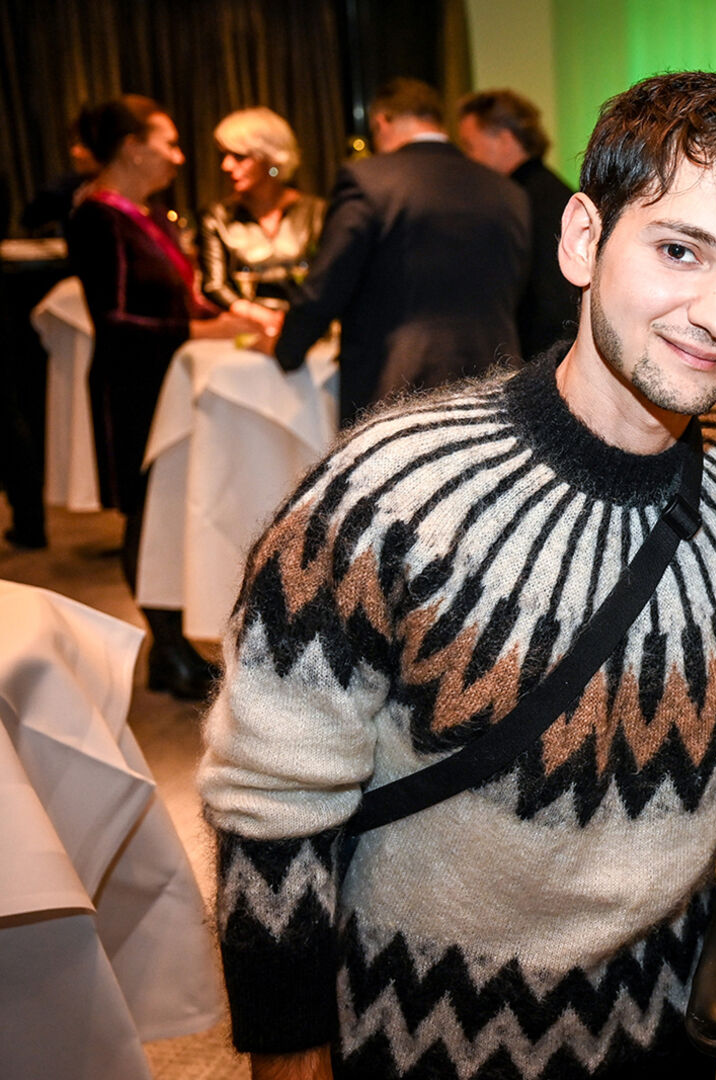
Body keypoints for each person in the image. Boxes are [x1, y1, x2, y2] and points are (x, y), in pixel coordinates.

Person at [199, 71, 716, 1079]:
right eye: (679, 250)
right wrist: (289, 1053)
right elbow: (270, 804)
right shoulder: (386, 492)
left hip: (661, 1030)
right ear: (582, 239)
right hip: (413, 1039)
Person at [65, 95, 257, 698]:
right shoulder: (98, 218)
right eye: (168, 143)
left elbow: (179, 297)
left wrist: (232, 313)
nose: (179, 157)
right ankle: (166, 649)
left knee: (164, 509)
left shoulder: (143, 214)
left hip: (166, 383)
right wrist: (204, 331)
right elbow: (115, 321)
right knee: (146, 516)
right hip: (133, 390)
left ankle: (172, 648)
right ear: (131, 147)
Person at [270, 78, 530, 427]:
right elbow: (515, 287)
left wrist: (286, 349)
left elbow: (328, 282)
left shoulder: (368, 180)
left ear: (382, 122)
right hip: (496, 383)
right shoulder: (508, 191)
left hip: (398, 384)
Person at [457, 88, 577, 358]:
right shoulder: (552, 190)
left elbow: (547, 301)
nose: (467, 158)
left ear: (504, 139)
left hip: (541, 356)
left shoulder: (515, 201)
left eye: (469, 146)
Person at [198, 107, 326, 334]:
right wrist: (258, 315)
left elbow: (329, 279)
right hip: (245, 333)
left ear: (270, 157)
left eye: (239, 156)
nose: (226, 166)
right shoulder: (218, 216)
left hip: (307, 331)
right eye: (223, 155)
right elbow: (213, 285)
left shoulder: (315, 212)